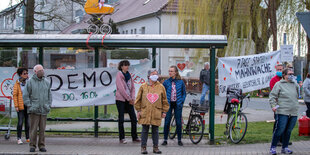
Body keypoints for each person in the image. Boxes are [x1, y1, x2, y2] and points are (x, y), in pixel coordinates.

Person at [135, 69, 169, 154]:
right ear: (149, 76)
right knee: (144, 130)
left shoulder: (161, 87)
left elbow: (165, 100)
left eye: (156, 74)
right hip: (145, 111)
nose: (155, 75)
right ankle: (143, 147)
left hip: (156, 112)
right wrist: (138, 110)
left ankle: (156, 147)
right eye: (153, 74)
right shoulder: (143, 86)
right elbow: (138, 100)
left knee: (155, 130)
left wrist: (164, 111)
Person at [269, 68, 301, 155]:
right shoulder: (279, 84)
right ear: (284, 75)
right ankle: (273, 148)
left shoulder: (294, 84)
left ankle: (285, 147)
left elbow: (298, 94)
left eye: (292, 74)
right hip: (282, 111)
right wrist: (273, 106)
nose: (291, 75)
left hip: (293, 111)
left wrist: (298, 85)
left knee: (288, 130)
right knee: (280, 130)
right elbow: (272, 96)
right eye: (289, 74)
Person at [23, 64, 52, 152]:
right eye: (39, 70)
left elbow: (49, 95)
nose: (41, 72)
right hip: (34, 110)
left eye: (42, 70)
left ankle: (42, 145)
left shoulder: (46, 82)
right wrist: (30, 106)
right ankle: (32, 146)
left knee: (42, 130)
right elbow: (25, 95)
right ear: (35, 72)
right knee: (33, 129)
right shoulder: (30, 82)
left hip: (44, 109)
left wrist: (48, 105)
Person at [115, 60, 140, 144]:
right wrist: (128, 98)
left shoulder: (129, 75)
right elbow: (121, 88)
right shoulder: (119, 74)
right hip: (121, 100)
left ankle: (134, 137)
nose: (127, 67)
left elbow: (133, 88)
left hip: (129, 100)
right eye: (125, 65)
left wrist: (132, 98)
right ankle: (122, 138)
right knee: (121, 119)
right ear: (121, 66)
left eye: (128, 65)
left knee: (133, 118)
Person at [162, 66, 186, 146]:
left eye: (172, 71)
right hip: (169, 104)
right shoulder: (166, 82)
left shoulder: (180, 82)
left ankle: (179, 140)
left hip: (177, 104)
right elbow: (163, 93)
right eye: (169, 71)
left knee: (178, 122)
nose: (170, 72)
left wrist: (181, 101)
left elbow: (184, 93)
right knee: (167, 122)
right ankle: (165, 139)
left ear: (175, 72)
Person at [13, 67, 29, 145]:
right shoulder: (17, 83)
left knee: (28, 122)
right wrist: (16, 105)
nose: (26, 75)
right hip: (20, 105)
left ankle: (27, 137)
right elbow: (15, 95)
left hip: (27, 105)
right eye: (24, 73)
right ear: (20, 75)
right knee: (20, 122)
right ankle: (19, 138)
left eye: (27, 73)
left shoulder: (29, 82)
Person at [269, 63, 284, 146]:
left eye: (281, 70)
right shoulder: (274, 80)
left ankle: (283, 139)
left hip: (285, 104)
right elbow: (273, 93)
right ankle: (276, 139)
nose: (279, 71)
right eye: (278, 69)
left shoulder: (286, 79)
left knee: (285, 123)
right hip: (277, 104)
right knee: (278, 122)